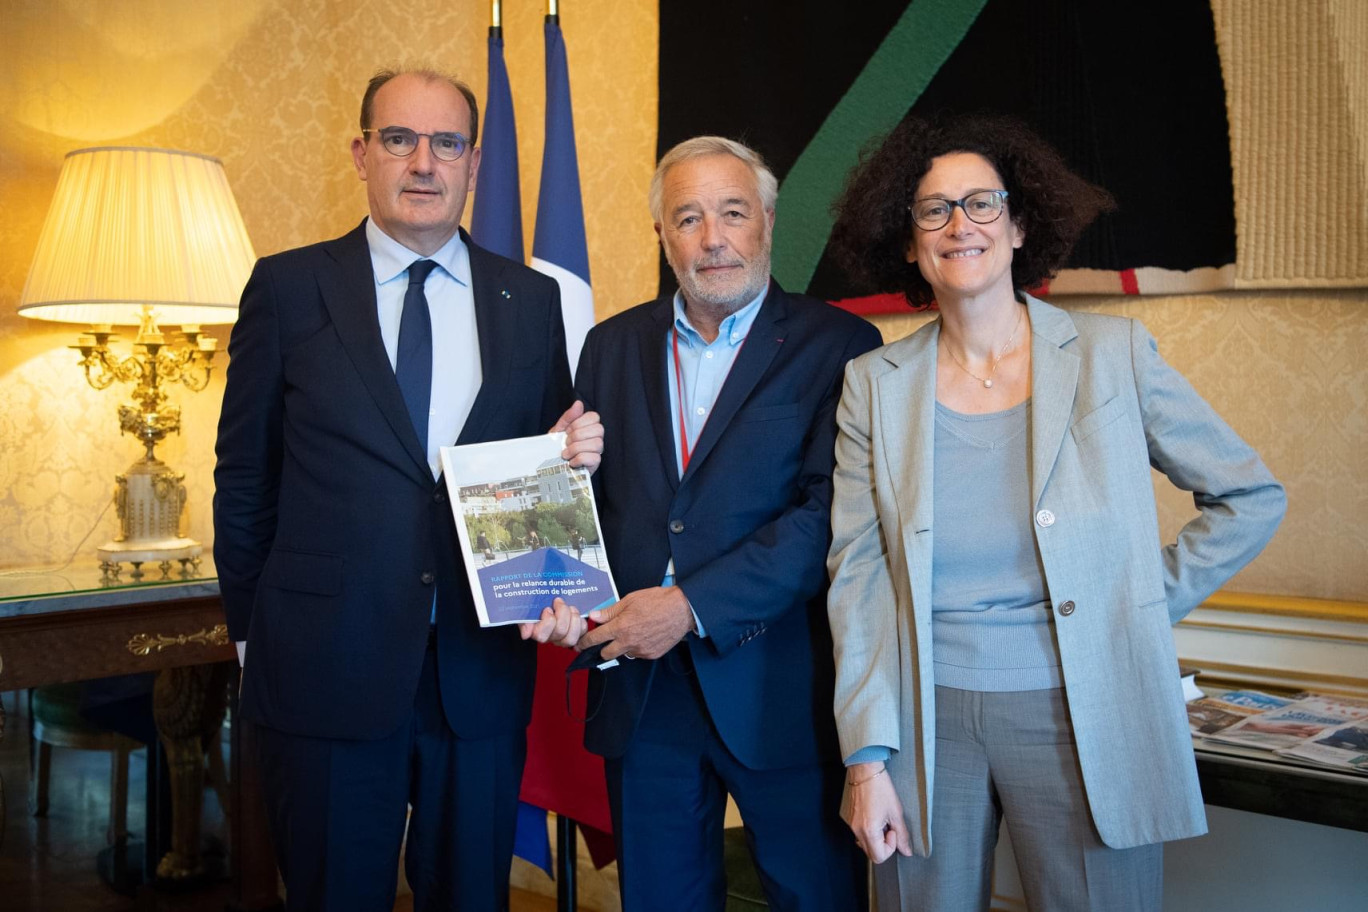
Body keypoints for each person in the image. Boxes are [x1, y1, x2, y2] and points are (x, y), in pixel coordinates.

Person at [824, 114, 1286, 911]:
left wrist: (1133, 602)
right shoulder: (872, 384)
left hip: (1083, 712)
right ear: (909, 243)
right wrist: (866, 762)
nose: (959, 225)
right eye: (933, 210)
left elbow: (1249, 497)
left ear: (1020, 224)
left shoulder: (1116, 355)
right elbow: (857, 576)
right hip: (923, 724)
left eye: (981, 203)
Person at [213, 67, 600, 912]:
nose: (423, 163)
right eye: (399, 139)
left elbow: (547, 471)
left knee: (472, 896)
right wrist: (253, 638)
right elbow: (245, 480)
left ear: (472, 163)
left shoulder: (530, 299)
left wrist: (580, 471)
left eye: (446, 144)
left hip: (478, 669)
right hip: (322, 663)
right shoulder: (287, 288)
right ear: (362, 154)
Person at [534, 136, 882, 911]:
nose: (713, 238)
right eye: (688, 218)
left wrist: (689, 606)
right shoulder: (610, 346)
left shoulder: (841, 346)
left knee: (814, 897)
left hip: (779, 690)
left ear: (766, 221)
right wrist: (553, 551)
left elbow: (831, 517)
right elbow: (590, 507)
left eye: (732, 213)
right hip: (643, 694)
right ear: (662, 235)